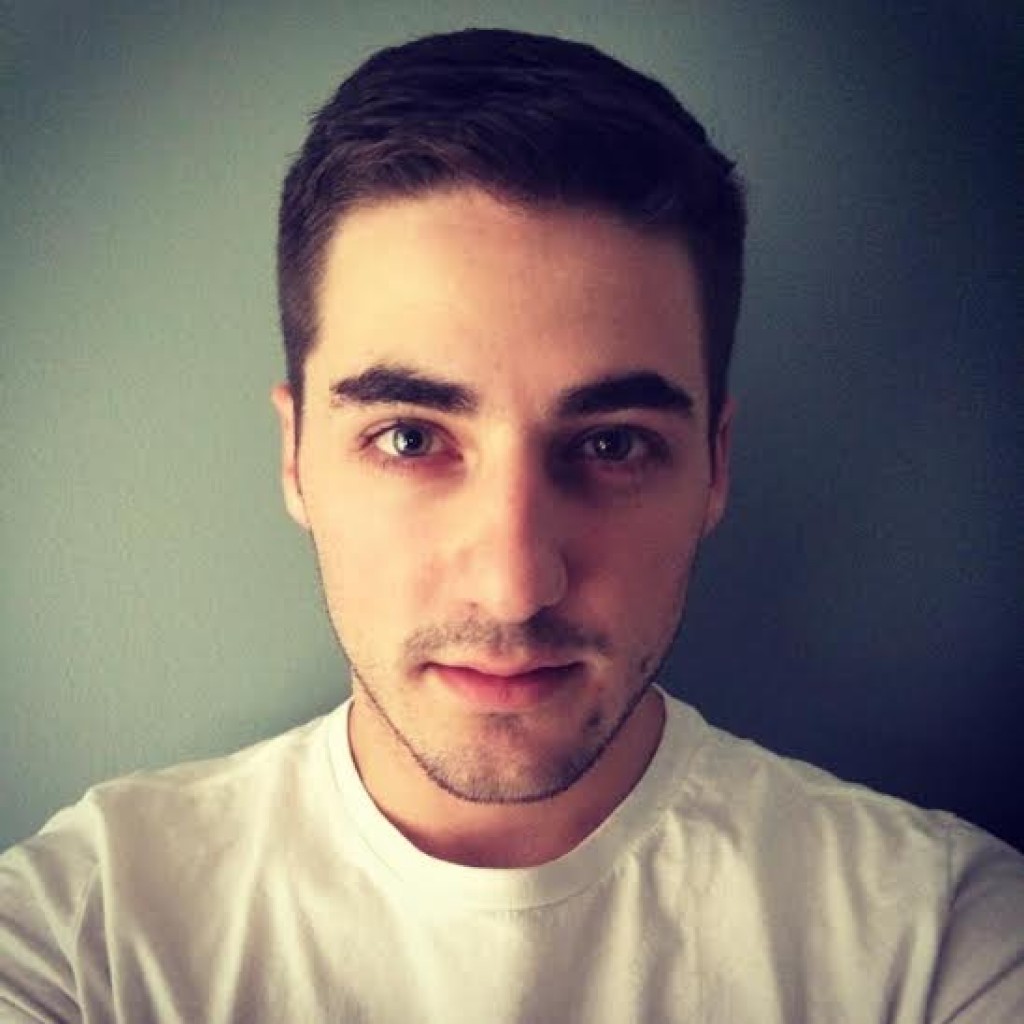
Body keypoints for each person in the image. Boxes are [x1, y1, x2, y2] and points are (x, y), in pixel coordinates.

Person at [1, 26, 1021, 1023]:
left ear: (715, 465)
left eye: (612, 444)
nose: (514, 584)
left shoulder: (936, 942)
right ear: (295, 455)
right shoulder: (88, 935)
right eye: (410, 438)